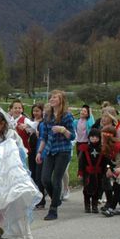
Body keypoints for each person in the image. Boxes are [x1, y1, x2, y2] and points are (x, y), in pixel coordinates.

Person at [0, 109, 40, 239]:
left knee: (4, 201)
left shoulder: (10, 137)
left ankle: (0, 227)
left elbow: (20, 153)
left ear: (2, 124)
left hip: (6, 174)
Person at [35, 90, 75, 220]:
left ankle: (53, 210)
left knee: (56, 179)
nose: (52, 99)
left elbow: (72, 136)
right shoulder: (47, 116)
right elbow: (44, 137)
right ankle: (56, 199)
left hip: (63, 151)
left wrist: (63, 130)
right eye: (51, 97)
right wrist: (40, 152)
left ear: (61, 101)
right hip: (50, 150)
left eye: (55, 97)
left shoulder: (67, 116)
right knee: (45, 179)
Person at [100, 126, 120, 217]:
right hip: (117, 167)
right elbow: (108, 161)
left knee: (116, 188)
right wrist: (108, 168)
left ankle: (111, 209)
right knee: (116, 188)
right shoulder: (106, 146)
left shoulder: (118, 145)